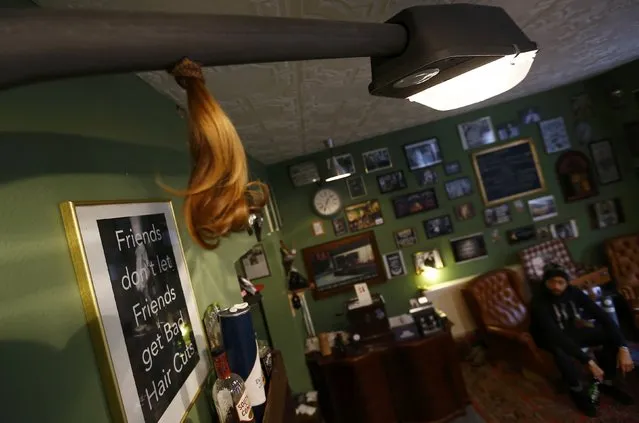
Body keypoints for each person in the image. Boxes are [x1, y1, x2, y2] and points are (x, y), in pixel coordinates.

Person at [530, 265, 635, 417]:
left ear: (567, 283)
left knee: (608, 336)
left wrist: (623, 347)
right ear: (545, 283)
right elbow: (554, 335)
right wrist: (588, 361)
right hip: (548, 337)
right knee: (561, 354)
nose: (556, 287)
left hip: (570, 332)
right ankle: (577, 392)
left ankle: (607, 383)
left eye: (561, 282)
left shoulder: (574, 293)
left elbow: (603, 317)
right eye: (551, 282)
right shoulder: (538, 301)